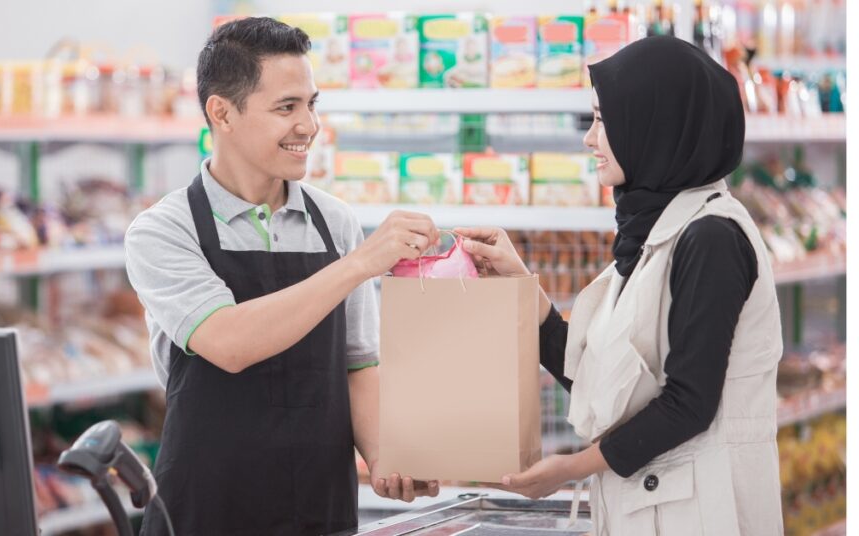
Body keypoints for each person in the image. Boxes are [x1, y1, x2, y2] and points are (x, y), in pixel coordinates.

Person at [456, 36, 783, 535]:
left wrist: (570, 468)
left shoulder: (711, 238)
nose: (590, 139)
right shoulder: (655, 232)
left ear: (655, 125)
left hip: (703, 514)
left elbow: (690, 404)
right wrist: (519, 283)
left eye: (602, 120)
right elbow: (603, 385)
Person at [125, 17, 440, 535]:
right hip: (207, 507)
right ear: (222, 113)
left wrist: (385, 457)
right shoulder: (165, 230)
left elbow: (359, 364)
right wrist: (357, 264)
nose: (309, 125)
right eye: (286, 107)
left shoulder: (333, 222)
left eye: (312, 104)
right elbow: (229, 342)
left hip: (318, 505)